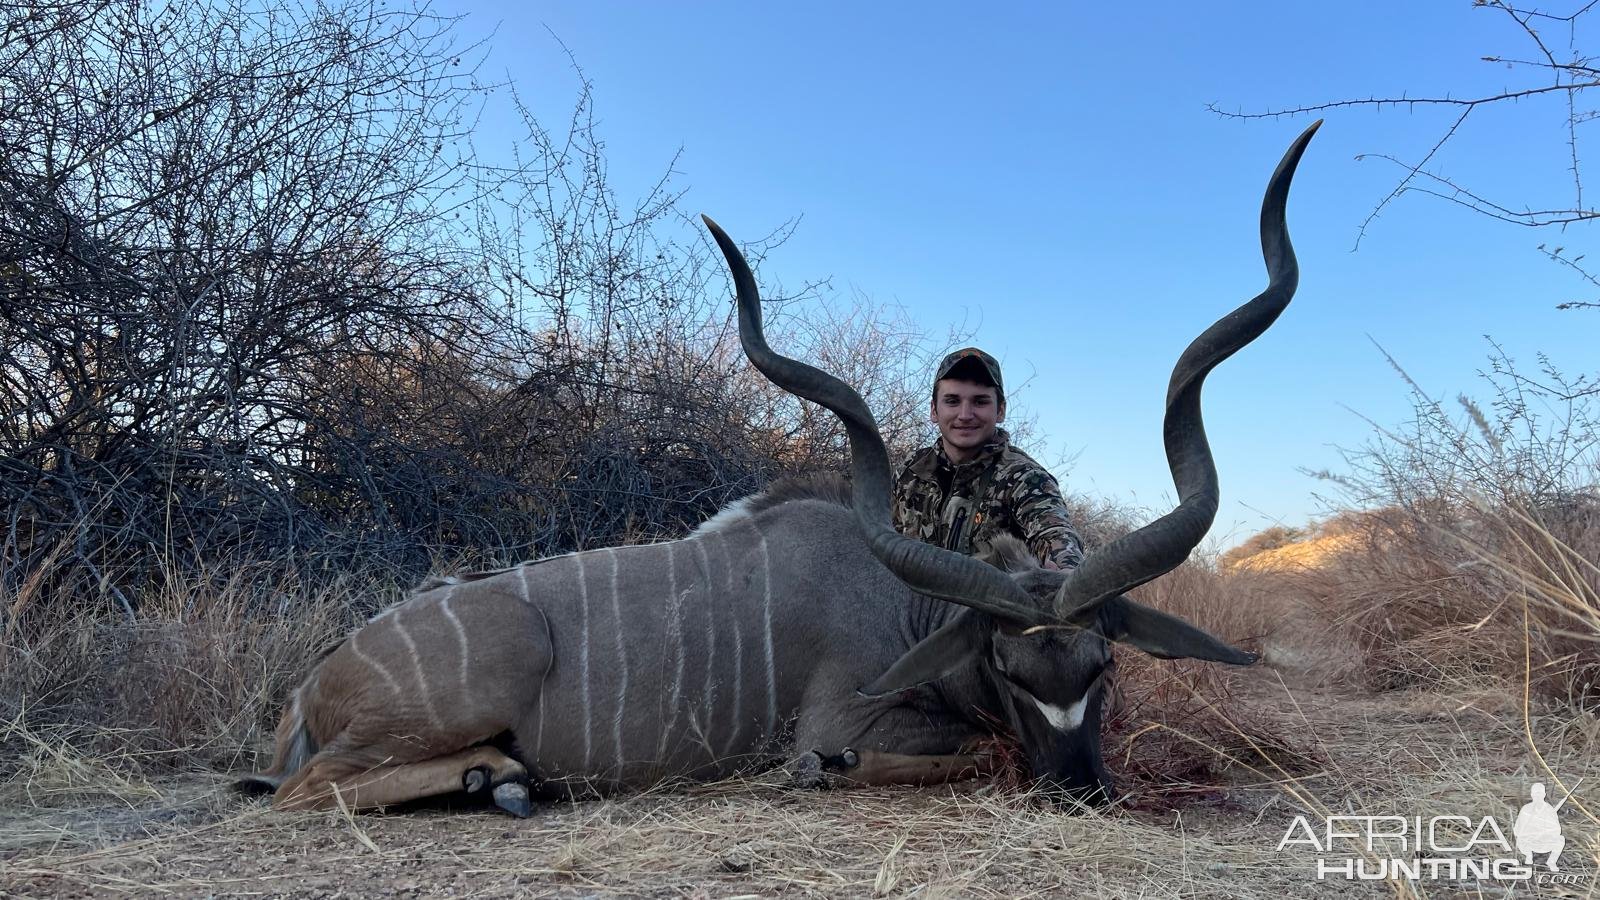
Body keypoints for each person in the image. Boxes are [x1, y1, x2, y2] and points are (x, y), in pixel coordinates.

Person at [891, 347, 1085, 570]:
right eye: (952, 401)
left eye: (980, 402)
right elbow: (879, 534)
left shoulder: (1025, 477)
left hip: (983, 603)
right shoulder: (909, 470)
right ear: (934, 411)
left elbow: (1055, 533)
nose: (965, 415)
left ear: (1000, 410)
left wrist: (1066, 569)